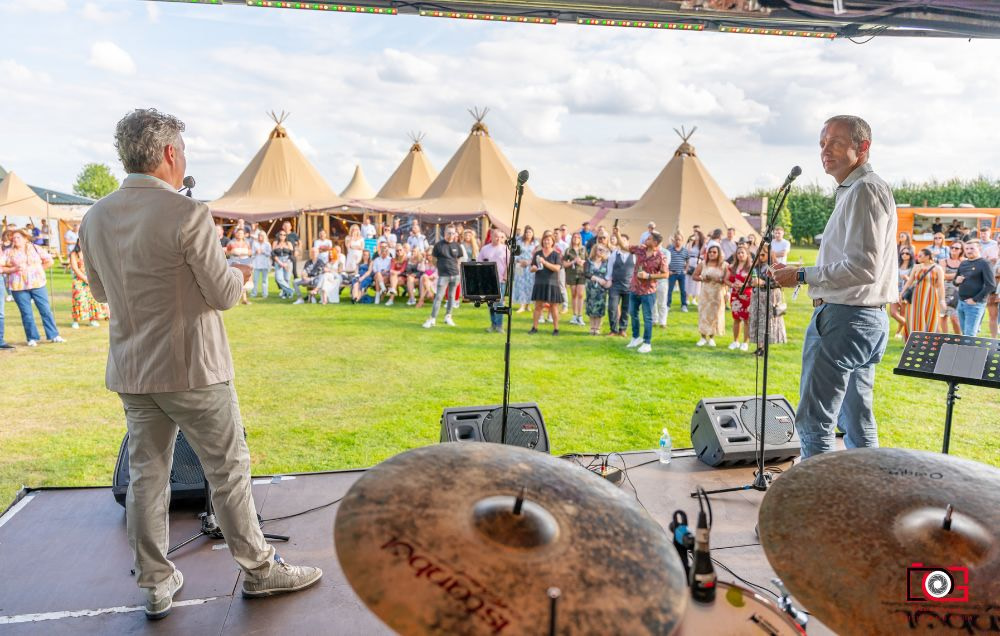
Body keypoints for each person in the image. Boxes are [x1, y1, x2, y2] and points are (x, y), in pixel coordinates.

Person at [78, 109, 320, 619]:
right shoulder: (187, 213)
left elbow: (100, 292)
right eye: (183, 151)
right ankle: (259, 570)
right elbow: (224, 295)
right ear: (169, 153)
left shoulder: (94, 216)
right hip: (193, 368)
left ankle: (155, 582)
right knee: (228, 470)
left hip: (133, 368)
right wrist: (239, 272)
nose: (184, 159)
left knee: (147, 475)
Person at [770, 115, 897, 459]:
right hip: (863, 319)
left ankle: (819, 492)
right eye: (822, 143)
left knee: (815, 420)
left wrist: (800, 276)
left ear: (863, 147)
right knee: (856, 419)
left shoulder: (864, 190)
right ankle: (864, 486)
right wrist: (801, 272)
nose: (825, 150)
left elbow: (862, 267)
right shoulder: (861, 189)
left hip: (845, 319)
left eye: (836, 142)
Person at [0, 229, 64, 346]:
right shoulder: (8, 252)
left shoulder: (35, 248)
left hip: (37, 284)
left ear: (25, 238)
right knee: (26, 313)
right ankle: (32, 338)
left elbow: (49, 261)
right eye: (14, 238)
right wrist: (13, 269)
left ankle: (54, 335)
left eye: (18, 237)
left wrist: (38, 270)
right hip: (18, 287)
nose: (15, 240)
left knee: (45, 310)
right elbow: (1, 268)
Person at [619, 226, 667, 353]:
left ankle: (647, 343)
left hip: (648, 292)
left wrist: (649, 276)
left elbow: (665, 274)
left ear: (655, 243)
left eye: (649, 238)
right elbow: (624, 246)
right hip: (634, 288)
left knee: (647, 317)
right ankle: (636, 338)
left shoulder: (660, 256)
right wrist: (617, 234)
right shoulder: (640, 250)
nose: (646, 239)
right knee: (633, 314)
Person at [747, 243, 787, 355]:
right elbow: (750, 281)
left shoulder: (776, 267)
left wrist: (764, 283)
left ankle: (764, 348)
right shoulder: (756, 266)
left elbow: (780, 283)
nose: (760, 257)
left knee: (767, 322)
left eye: (763, 255)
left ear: (769, 254)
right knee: (758, 321)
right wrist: (752, 283)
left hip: (770, 297)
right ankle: (759, 347)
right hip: (757, 297)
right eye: (758, 255)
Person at [423, 225, 463, 328]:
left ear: (455, 234)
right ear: (445, 233)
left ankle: (448, 317)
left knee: (451, 297)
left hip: (455, 275)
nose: (451, 235)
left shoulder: (457, 246)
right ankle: (432, 319)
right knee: (439, 297)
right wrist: (440, 268)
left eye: (453, 233)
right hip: (443, 276)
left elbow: (459, 259)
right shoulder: (438, 245)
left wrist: (457, 270)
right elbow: (434, 259)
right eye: (449, 233)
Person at [954, 240, 996, 336]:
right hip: (961, 302)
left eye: (972, 248)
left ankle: (969, 347)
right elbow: (955, 281)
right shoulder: (963, 263)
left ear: (979, 248)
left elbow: (991, 285)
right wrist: (956, 281)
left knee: (970, 335)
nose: (969, 251)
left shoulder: (985, 263)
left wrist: (975, 299)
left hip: (975, 304)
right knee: (965, 333)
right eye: (967, 249)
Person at [901, 247, 945, 338]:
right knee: (915, 316)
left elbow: (941, 285)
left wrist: (942, 300)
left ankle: (931, 340)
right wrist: (901, 293)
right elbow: (909, 282)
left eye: (920, 256)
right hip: (915, 297)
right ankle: (915, 340)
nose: (918, 257)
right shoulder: (916, 267)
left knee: (931, 316)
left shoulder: (937, 268)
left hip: (931, 297)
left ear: (927, 256)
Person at [528, 234, 563, 334]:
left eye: (549, 240)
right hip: (540, 282)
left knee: (554, 307)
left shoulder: (556, 255)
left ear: (552, 242)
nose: (546, 242)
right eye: (545, 240)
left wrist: (545, 262)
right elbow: (531, 268)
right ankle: (534, 328)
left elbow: (557, 268)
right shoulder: (537, 254)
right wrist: (533, 268)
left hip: (552, 283)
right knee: (538, 306)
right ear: (542, 241)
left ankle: (556, 329)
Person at [694, 244, 728, 347]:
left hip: (717, 293)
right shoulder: (703, 264)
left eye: (714, 252)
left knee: (715, 315)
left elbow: (727, 280)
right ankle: (703, 337)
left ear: (718, 254)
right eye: (710, 252)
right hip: (705, 293)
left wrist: (720, 280)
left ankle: (712, 338)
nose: (712, 254)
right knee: (703, 314)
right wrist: (703, 278)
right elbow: (694, 276)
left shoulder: (724, 265)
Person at [69, 243, 109, 328]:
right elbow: (75, 268)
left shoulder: (90, 252)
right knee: (79, 300)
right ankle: (75, 321)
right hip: (79, 280)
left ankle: (92, 320)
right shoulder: (74, 254)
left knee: (92, 300)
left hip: (91, 279)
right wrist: (85, 278)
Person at [478, 229, 509, 333]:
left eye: (500, 237)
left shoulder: (505, 249)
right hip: (488, 280)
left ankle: (500, 325)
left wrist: (505, 277)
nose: (498, 238)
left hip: (500, 280)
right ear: (491, 236)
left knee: (499, 303)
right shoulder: (485, 249)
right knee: (491, 303)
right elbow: (479, 263)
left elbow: (509, 264)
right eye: (496, 236)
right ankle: (493, 324)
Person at [605, 232, 634, 336]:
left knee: (626, 309)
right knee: (612, 308)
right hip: (615, 285)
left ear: (628, 242)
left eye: (624, 240)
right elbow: (609, 268)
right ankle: (613, 330)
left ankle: (622, 329)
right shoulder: (614, 254)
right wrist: (608, 279)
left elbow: (637, 270)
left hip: (629, 286)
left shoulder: (633, 255)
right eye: (621, 240)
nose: (622, 242)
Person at [727, 246, 753, 351]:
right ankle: (735, 341)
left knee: (747, 320)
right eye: (738, 253)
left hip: (747, 296)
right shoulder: (732, 267)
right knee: (736, 319)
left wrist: (744, 285)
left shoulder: (751, 267)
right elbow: (726, 280)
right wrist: (732, 285)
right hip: (735, 296)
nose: (740, 255)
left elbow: (754, 281)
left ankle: (745, 343)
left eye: (742, 253)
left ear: (747, 254)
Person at [562, 232, 587, 327]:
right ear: (572, 239)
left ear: (580, 239)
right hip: (571, 274)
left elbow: (588, 261)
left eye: (578, 237)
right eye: (574, 237)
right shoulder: (568, 250)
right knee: (574, 294)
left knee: (580, 294)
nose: (576, 239)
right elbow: (564, 264)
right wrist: (573, 261)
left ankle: (580, 316)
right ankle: (574, 315)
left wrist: (582, 262)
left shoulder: (583, 249)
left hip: (581, 274)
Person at [585, 245, 611, 335]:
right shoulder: (589, 261)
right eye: (599, 249)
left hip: (601, 289)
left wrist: (606, 282)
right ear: (595, 250)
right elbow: (586, 273)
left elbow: (609, 274)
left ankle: (597, 327)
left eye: (603, 250)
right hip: (591, 288)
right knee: (591, 307)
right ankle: (592, 327)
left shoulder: (606, 262)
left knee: (600, 307)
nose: (601, 251)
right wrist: (597, 279)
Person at [512, 226, 538, 313]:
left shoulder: (535, 244)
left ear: (533, 234)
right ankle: (522, 305)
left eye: (530, 232)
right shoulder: (519, 242)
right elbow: (514, 254)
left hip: (530, 266)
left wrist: (530, 262)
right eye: (527, 232)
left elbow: (537, 255)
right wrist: (520, 261)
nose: (528, 234)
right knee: (520, 285)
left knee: (530, 285)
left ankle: (527, 305)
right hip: (519, 265)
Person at [940, 241, 964, 334]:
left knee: (954, 317)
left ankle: (959, 338)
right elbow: (943, 276)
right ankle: (945, 337)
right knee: (943, 316)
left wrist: (950, 276)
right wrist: (958, 275)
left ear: (961, 250)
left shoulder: (964, 262)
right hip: (944, 290)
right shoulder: (943, 261)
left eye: (956, 248)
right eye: (952, 247)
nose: (953, 249)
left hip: (958, 291)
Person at [890, 250, 914, 338]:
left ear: (910, 255)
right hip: (895, 291)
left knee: (903, 314)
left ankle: (898, 333)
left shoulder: (913, 267)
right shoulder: (897, 265)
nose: (904, 255)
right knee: (893, 313)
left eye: (907, 253)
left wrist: (907, 278)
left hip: (906, 293)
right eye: (902, 253)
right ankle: (909, 326)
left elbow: (915, 281)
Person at [226, 228, 252, 305]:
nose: (240, 234)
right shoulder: (231, 242)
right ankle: (235, 300)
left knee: (244, 281)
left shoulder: (247, 243)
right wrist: (232, 252)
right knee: (236, 281)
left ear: (244, 235)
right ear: (236, 234)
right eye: (238, 233)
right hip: (235, 263)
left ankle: (244, 299)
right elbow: (227, 253)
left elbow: (250, 252)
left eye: (241, 233)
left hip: (245, 263)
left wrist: (245, 253)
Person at [665, 232, 689, 312]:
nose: (677, 241)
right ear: (674, 240)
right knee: (669, 290)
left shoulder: (685, 250)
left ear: (682, 240)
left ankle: (684, 305)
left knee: (683, 290)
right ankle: (668, 305)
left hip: (682, 273)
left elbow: (688, 260)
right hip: (672, 273)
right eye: (676, 239)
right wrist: (668, 271)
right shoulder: (669, 250)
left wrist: (686, 270)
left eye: (679, 240)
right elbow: (665, 261)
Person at [272, 230, 295, 299]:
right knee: (279, 278)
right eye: (281, 234)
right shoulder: (275, 243)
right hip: (278, 261)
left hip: (288, 261)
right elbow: (273, 254)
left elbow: (291, 254)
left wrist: (286, 263)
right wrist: (280, 262)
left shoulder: (289, 243)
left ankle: (285, 294)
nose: (282, 236)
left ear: (286, 236)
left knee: (287, 278)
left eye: (284, 235)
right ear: (278, 235)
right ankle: (291, 291)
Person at [250, 230, 271, 299]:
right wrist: (256, 252)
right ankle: (253, 293)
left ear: (264, 236)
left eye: (261, 235)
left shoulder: (267, 244)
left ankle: (265, 294)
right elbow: (252, 254)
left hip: (265, 264)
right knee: (255, 280)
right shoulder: (254, 243)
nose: (260, 237)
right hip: (256, 264)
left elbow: (270, 254)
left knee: (265, 280)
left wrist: (263, 251)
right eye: (259, 235)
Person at [685, 230, 704, 305]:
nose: (695, 236)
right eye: (694, 235)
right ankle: (686, 298)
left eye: (697, 235)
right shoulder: (691, 244)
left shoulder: (701, 245)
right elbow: (688, 252)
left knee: (696, 282)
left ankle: (694, 298)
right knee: (688, 280)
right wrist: (690, 241)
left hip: (697, 262)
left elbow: (701, 252)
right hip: (690, 261)